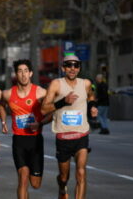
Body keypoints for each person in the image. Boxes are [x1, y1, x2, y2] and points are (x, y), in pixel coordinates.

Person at [41, 55, 98, 199]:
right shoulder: (56, 84)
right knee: (63, 177)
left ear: (79, 68)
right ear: (63, 68)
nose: (72, 68)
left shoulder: (85, 83)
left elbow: (91, 96)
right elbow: (44, 109)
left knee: (81, 173)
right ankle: (62, 188)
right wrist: (63, 102)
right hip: (63, 137)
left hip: (81, 135)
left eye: (76, 65)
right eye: (69, 65)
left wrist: (92, 107)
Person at [0, 59, 51, 199]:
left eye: (26, 71)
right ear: (16, 74)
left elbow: (52, 112)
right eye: (20, 71)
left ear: (31, 73)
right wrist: (3, 121)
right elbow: (1, 105)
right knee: (23, 177)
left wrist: (40, 124)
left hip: (36, 141)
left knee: (35, 184)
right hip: (19, 140)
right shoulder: (8, 94)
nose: (23, 75)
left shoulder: (41, 93)